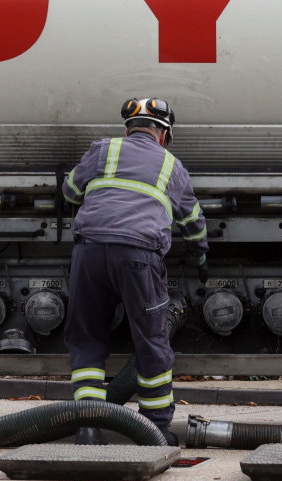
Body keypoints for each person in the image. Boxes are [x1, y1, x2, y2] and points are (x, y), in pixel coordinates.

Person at [62, 97, 208, 445]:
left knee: (87, 339)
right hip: (139, 256)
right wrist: (200, 256)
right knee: (151, 340)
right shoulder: (172, 166)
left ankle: (88, 427)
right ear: (163, 134)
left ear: (129, 128)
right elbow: (192, 220)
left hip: (90, 251)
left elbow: (70, 191)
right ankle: (154, 429)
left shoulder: (102, 150)